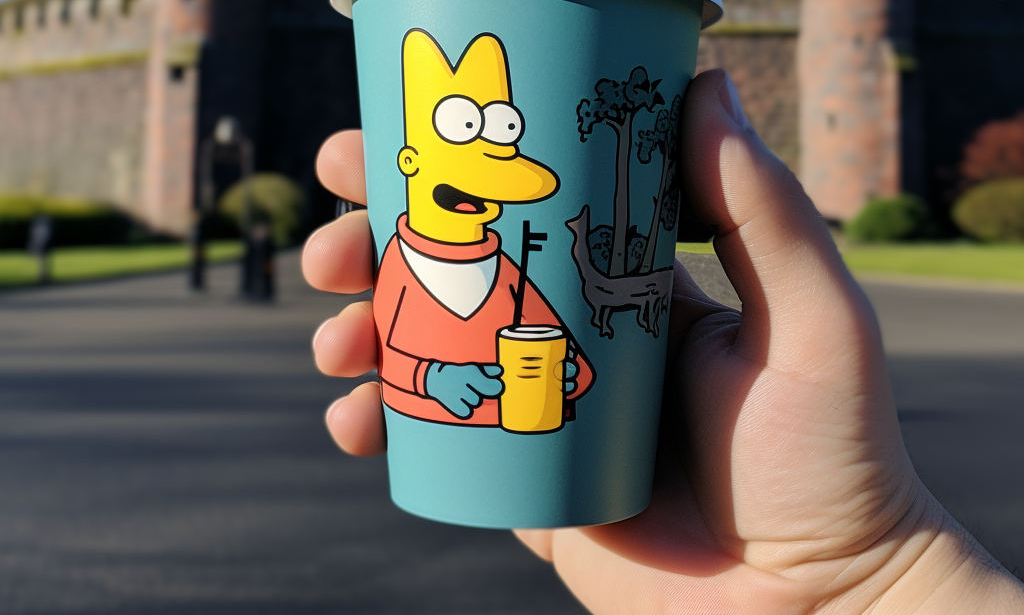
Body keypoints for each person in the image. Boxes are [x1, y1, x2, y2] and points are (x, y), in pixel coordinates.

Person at [302, 70, 1024, 614]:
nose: (488, 199)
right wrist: (430, 382)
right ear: (411, 168)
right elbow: (399, 357)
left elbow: (558, 343)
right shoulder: (402, 263)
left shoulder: (505, 269)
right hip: (445, 429)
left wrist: (864, 573)